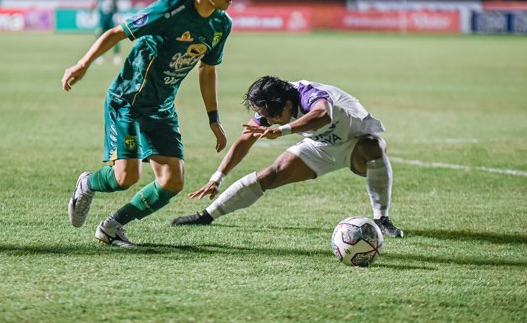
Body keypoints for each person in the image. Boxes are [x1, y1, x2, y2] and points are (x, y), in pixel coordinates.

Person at [62, 0, 245, 248]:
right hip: (128, 101)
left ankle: (112, 226)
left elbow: (207, 70)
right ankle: (87, 184)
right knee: (125, 177)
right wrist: (83, 64)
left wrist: (214, 119)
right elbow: (117, 33)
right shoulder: (172, 10)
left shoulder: (221, 25)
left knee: (173, 180)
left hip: (161, 107)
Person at [171, 75, 404, 238]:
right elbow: (244, 140)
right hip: (320, 146)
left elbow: (322, 115)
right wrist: (217, 177)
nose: (266, 120)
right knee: (270, 175)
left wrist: (281, 131)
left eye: (268, 116)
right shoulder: (274, 105)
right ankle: (206, 217)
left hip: (355, 144)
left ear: (283, 105)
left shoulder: (308, 94)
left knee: (373, 145)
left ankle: (381, 219)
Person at [90, 0, 122, 65]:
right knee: (99, 36)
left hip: (112, 17)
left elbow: (117, 5)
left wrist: (118, 16)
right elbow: (93, 2)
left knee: (116, 36)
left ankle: (116, 55)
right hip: (102, 17)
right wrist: (91, 13)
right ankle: (99, 55)